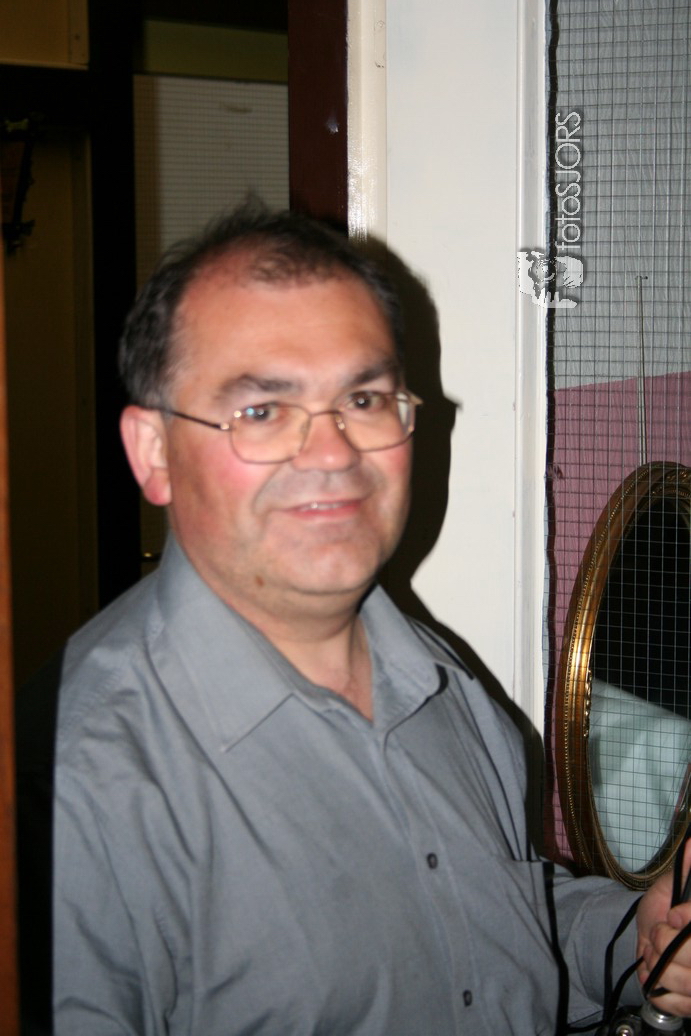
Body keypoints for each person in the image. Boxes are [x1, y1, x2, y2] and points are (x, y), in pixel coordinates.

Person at [53, 202, 691, 1034]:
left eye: (363, 398)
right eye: (262, 410)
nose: (333, 453)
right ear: (153, 453)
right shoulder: (73, 782)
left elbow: (497, 930)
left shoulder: (442, 679)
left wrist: (637, 937)